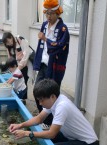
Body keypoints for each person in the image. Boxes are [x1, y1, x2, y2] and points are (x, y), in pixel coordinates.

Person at [8, 79, 99, 145]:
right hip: (74, 138)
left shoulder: (62, 106)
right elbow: (39, 119)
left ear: (52, 96)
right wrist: (20, 125)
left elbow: (51, 134)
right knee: (45, 139)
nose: (40, 103)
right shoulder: (55, 101)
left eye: (42, 100)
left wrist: (26, 133)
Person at [33, 0, 70, 128]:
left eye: (51, 13)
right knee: (37, 91)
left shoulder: (63, 29)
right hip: (44, 64)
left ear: (57, 13)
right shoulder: (44, 25)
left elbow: (59, 46)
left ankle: (53, 123)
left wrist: (45, 39)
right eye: (47, 13)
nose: (49, 16)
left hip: (55, 67)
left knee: (52, 95)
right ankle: (45, 119)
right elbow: (41, 47)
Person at [2, 32, 34, 99]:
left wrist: (19, 68)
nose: (8, 43)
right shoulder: (8, 46)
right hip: (17, 65)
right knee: (18, 79)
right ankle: (21, 97)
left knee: (24, 80)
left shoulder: (20, 39)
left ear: (11, 37)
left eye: (8, 41)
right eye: (6, 43)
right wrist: (11, 66)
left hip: (25, 63)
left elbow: (26, 54)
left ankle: (23, 99)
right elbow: (10, 58)